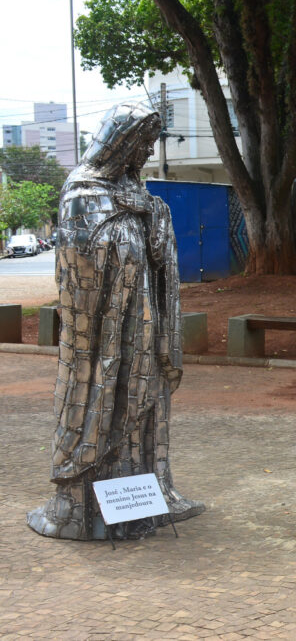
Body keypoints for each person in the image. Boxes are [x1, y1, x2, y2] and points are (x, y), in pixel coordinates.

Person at [27, 102, 203, 540]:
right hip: (102, 338)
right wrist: (125, 217)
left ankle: (145, 494)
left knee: (145, 402)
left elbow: (159, 254)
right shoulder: (81, 190)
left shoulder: (135, 192)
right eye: (140, 142)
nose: (145, 152)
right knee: (105, 400)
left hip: (140, 328)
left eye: (150, 143)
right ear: (119, 140)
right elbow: (77, 266)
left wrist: (148, 212)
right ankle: (83, 505)